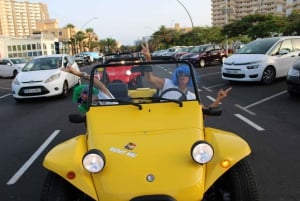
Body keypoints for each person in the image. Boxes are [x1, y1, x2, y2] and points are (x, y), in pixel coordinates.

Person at [140, 42, 232, 108]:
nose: (183, 76)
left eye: (186, 74)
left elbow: (203, 115)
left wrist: (218, 99)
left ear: (190, 78)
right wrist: (148, 59)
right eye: (180, 74)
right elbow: (149, 78)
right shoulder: (166, 83)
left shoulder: (192, 97)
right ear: (177, 75)